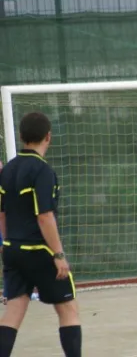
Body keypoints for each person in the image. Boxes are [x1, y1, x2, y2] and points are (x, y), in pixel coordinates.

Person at [0, 112, 82, 356]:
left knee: (13, 311)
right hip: (39, 251)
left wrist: (7, 241)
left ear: (22, 136)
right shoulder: (43, 171)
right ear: (49, 136)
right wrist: (58, 254)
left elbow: (2, 214)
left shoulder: (8, 170)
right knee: (68, 308)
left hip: (13, 249)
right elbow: (45, 216)